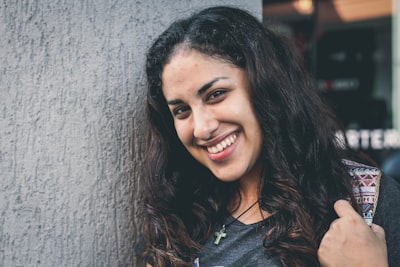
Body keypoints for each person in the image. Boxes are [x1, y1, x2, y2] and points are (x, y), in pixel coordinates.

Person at [137, 6, 399, 267]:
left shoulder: (365, 202)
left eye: (216, 94)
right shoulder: (178, 220)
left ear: (265, 86)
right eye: (182, 110)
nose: (202, 128)